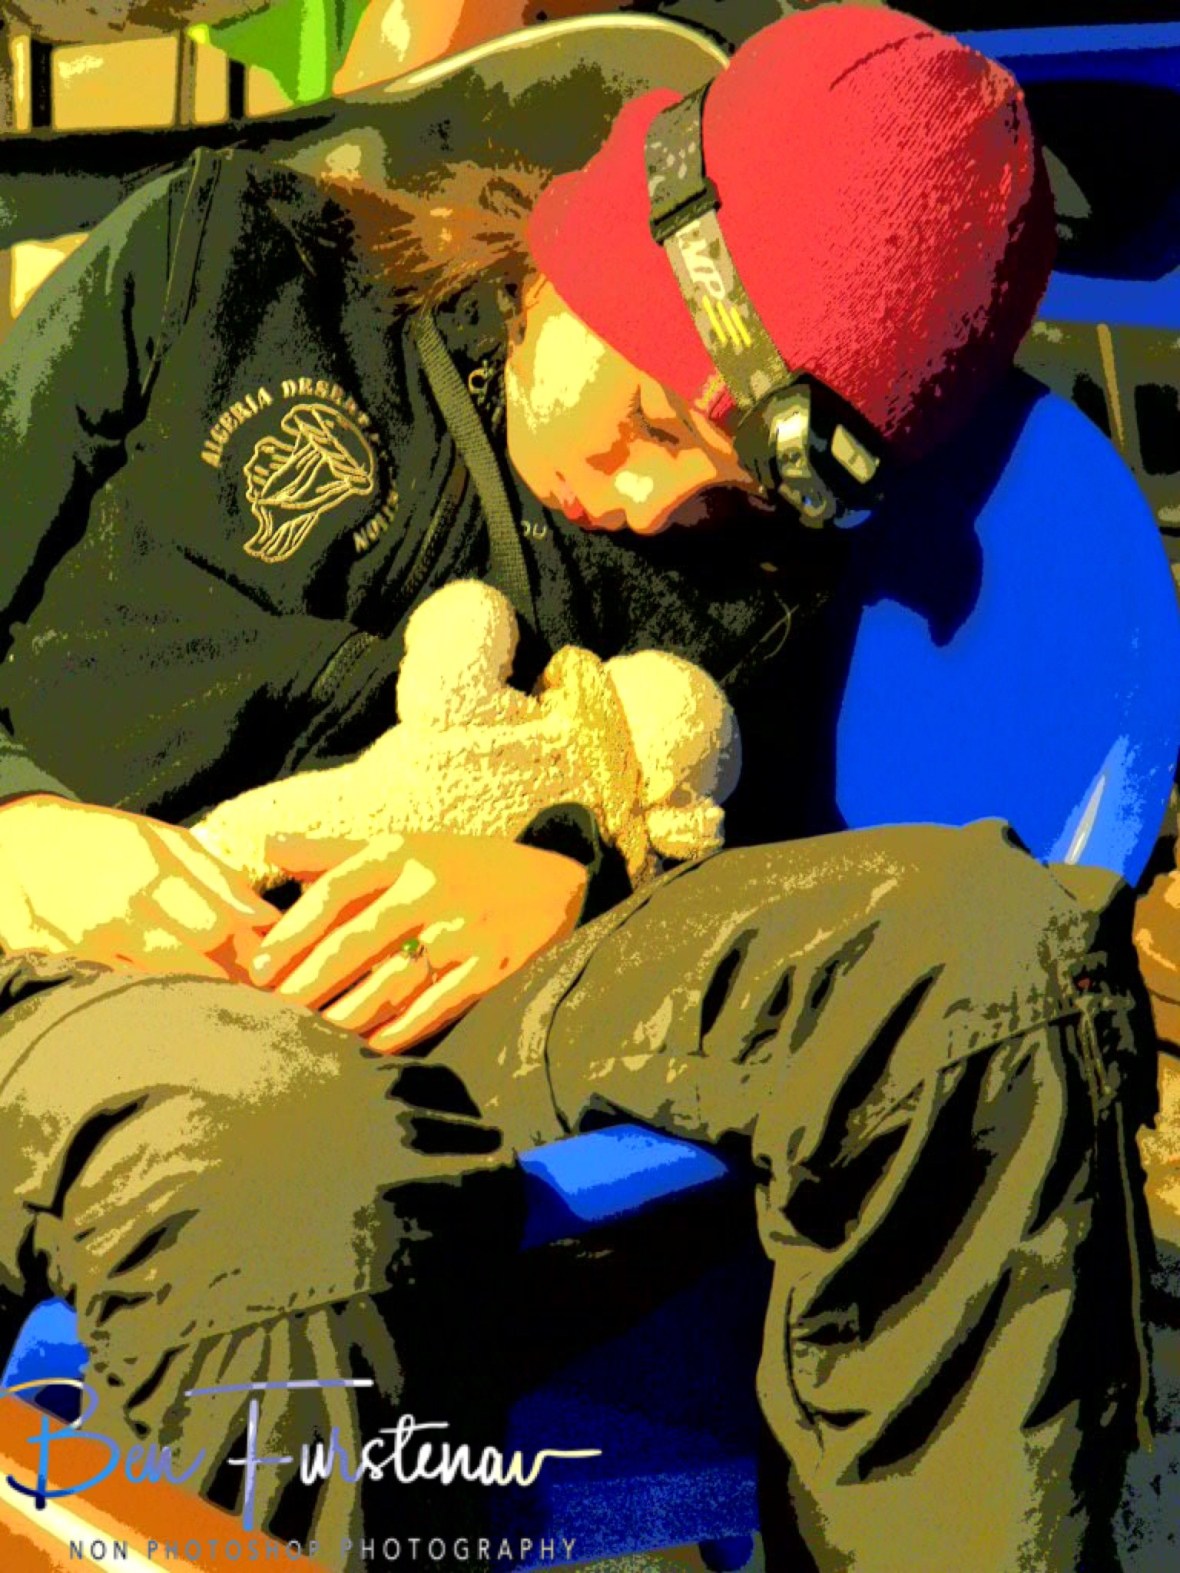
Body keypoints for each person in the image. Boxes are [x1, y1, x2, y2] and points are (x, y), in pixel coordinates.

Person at [0, 8, 1158, 1570]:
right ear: (613, 237)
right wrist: (21, 828)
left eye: (728, 488)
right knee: (288, 1181)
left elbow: (723, 841)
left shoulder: (738, 576)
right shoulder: (229, 262)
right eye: (656, 418)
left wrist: (576, 866)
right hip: (90, 995)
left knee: (984, 957)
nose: (655, 500)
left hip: (480, 1030)